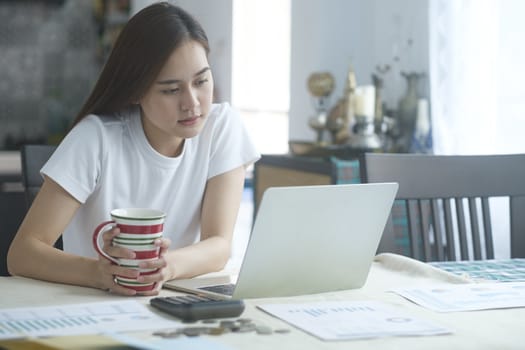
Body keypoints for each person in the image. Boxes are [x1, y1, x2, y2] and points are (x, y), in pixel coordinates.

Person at [7, 2, 260, 296]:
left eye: (201, 81)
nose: (192, 102)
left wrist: (166, 267)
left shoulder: (222, 127)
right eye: (171, 89)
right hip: (95, 306)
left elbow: (219, 245)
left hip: (172, 304)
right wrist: (98, 273)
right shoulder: (95, 138)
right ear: (137, 90)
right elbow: (22, 253)